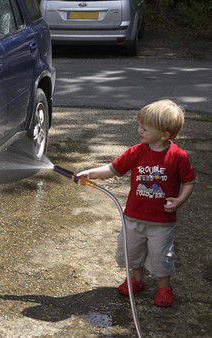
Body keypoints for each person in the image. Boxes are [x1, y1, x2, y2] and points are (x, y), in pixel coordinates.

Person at [77, 99, 196, 307]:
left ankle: (164, 287)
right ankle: (136, 279)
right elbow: (114, 168)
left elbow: (189, 181)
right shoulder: (136, 151)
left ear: (165, 135)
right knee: (132, 250)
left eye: (145, 128)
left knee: (161, 256)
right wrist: (91, 172)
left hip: (162, 221)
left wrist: (179, 200)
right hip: (133, 216)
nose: (139, 130)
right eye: (140, 125)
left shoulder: (178, 156)